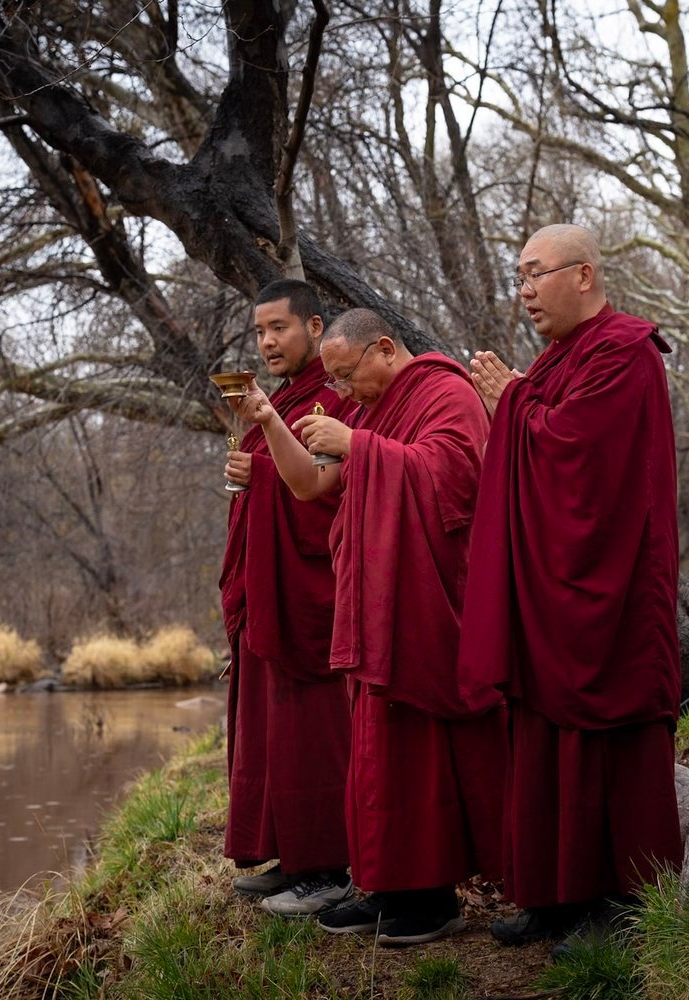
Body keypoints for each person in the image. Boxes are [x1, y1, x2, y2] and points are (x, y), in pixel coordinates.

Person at [233, 307, 506, 946]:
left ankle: (434, 899)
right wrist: (271, 422)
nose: (344, 393)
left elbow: (455, 478)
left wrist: (357, 445)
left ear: (385, 348)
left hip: (430, 604)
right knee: (378, 759)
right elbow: (308, 486)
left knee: (421, 757)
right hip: (379, 605)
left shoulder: (445, 391)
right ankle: (388, 888)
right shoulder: (369, 408)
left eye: (349, 376)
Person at [459, 224, 683, 959]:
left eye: (535, 274)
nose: (523, 292)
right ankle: (555, 896)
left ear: (583, 275)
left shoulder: (624, 353)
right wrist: (521, 403)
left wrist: (516, 404)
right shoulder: (559, 360)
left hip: (609, 592)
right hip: (553, 591)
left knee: (603, 740)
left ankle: (619, 902)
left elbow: (582, 459)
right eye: (518, 276)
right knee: (545, 737)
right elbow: (538, 447)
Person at [219, 279, 357, 915]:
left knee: (312, 729)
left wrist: (266, 471)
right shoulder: (282, 399)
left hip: (311, 594)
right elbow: (279, 473)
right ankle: (289, 854)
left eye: (280, 328)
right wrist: (248, 476)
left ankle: (329, 866)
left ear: (317, 328)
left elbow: (330, 492)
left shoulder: (333, 399)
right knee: (271, 728)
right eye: (260, 331)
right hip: (267, 587)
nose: (269, 342)